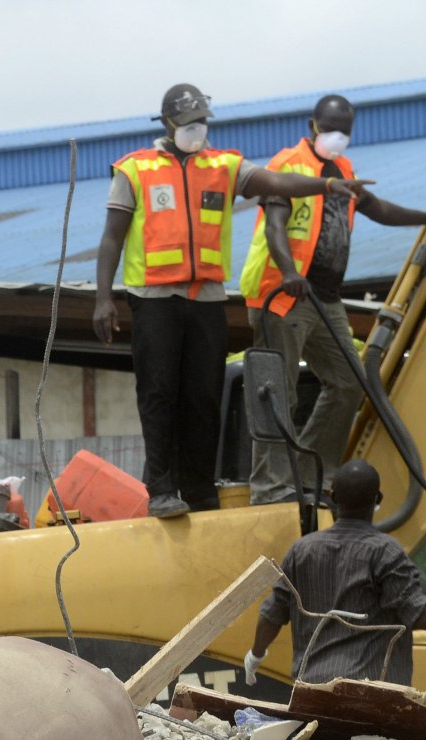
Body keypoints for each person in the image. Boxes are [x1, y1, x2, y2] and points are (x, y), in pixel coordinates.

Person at [91, 83, 355, 519]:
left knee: (203, 396)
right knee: (159, 394)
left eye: (203, 123)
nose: (199, 131)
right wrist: (104, 299)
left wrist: (324, 183)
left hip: (207, 299)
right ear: (170, 124)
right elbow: (111, 239)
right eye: (190, 124)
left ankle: (199, 490)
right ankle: (160, 488)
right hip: (154, 299)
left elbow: (275, 180)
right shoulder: (134, 170)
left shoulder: (223, 165)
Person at [241, 95, 426, 504]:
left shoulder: (345, 170)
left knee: (349, 382)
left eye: (345, 131)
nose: (338, 137)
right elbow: (275, 227)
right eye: (331, 128)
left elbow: (377, 208)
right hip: (284, 295)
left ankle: (309, 473)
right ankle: (270, 488)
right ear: (312, 124)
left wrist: (425, 217)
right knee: (276, 389)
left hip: (326, 298)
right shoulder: (287, 164)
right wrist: (288, 272)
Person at [245, 459, 426, 687]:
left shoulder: (301, 551)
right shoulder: (385, 552)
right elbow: (420, 615)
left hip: (310, 690)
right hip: (371, 695)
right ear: (378, 500)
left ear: (333, 496)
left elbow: (272, 613)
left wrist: (256, 655)